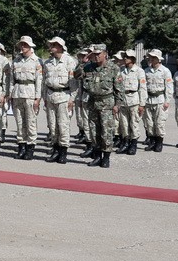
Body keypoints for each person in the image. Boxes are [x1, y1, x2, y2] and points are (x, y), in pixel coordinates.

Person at [80, 43, 122, 167]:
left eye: (99, 54)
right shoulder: (89, 67)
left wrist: (117, 104)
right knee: (94, 131)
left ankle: (106, 158)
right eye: (95, 54)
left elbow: (119, 89)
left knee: (107, 132)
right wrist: (83, 63)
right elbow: (76, 75)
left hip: (107, 104)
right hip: (93, 103)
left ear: (105, 54)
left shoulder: (113, 68)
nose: (96, 56)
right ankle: (97, 156)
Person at [42, 36, 76, 164]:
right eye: (51, 45)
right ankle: (55, 150)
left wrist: (72, 99)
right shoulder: (47, 63)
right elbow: (44, 82)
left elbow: (74, 83)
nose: (51, 47)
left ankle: (63, 152)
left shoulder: (69, 61)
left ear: (61, 47)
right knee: (52, 125)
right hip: (51, 96)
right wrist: (44, 98)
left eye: (54, 45)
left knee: (63, 125)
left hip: (64, 96)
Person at [9, 36, 43, 160]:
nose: (23, 47)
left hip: (30, 94)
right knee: (19, 122)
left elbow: (39, 81)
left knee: (30, 122)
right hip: (17, 94)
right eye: (21, 45)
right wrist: (10, 94)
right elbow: (11, 80)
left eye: (25, 45)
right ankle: (21, 147)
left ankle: (30, 148)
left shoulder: (37, 61)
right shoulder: (16, 61)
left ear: (30, 46)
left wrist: (37, 98)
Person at [114, 50, 147, 155]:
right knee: (124, 124)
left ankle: (133, 145)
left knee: (134, 123)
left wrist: (142, 104)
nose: (125, 58)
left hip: (134, 100)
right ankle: (126, 143)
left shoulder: (139, 71)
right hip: (123, 100)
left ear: (133, 59)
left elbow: (142, 88)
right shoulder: (121, 70)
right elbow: (117, 86)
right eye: (124, 56)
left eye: (127, 57)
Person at [142, 49, 172, 153]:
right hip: (148, 100)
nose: (151, 59)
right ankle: (152, 142)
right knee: (149, 123)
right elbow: (143, 87)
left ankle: (159, 143)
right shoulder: (146, 71)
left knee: (159, 123)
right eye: (150, 57)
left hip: (160, 100)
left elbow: (169, 87)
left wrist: (167, 101)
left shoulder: (165, 71)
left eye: (153, 57)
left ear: (158, 59)